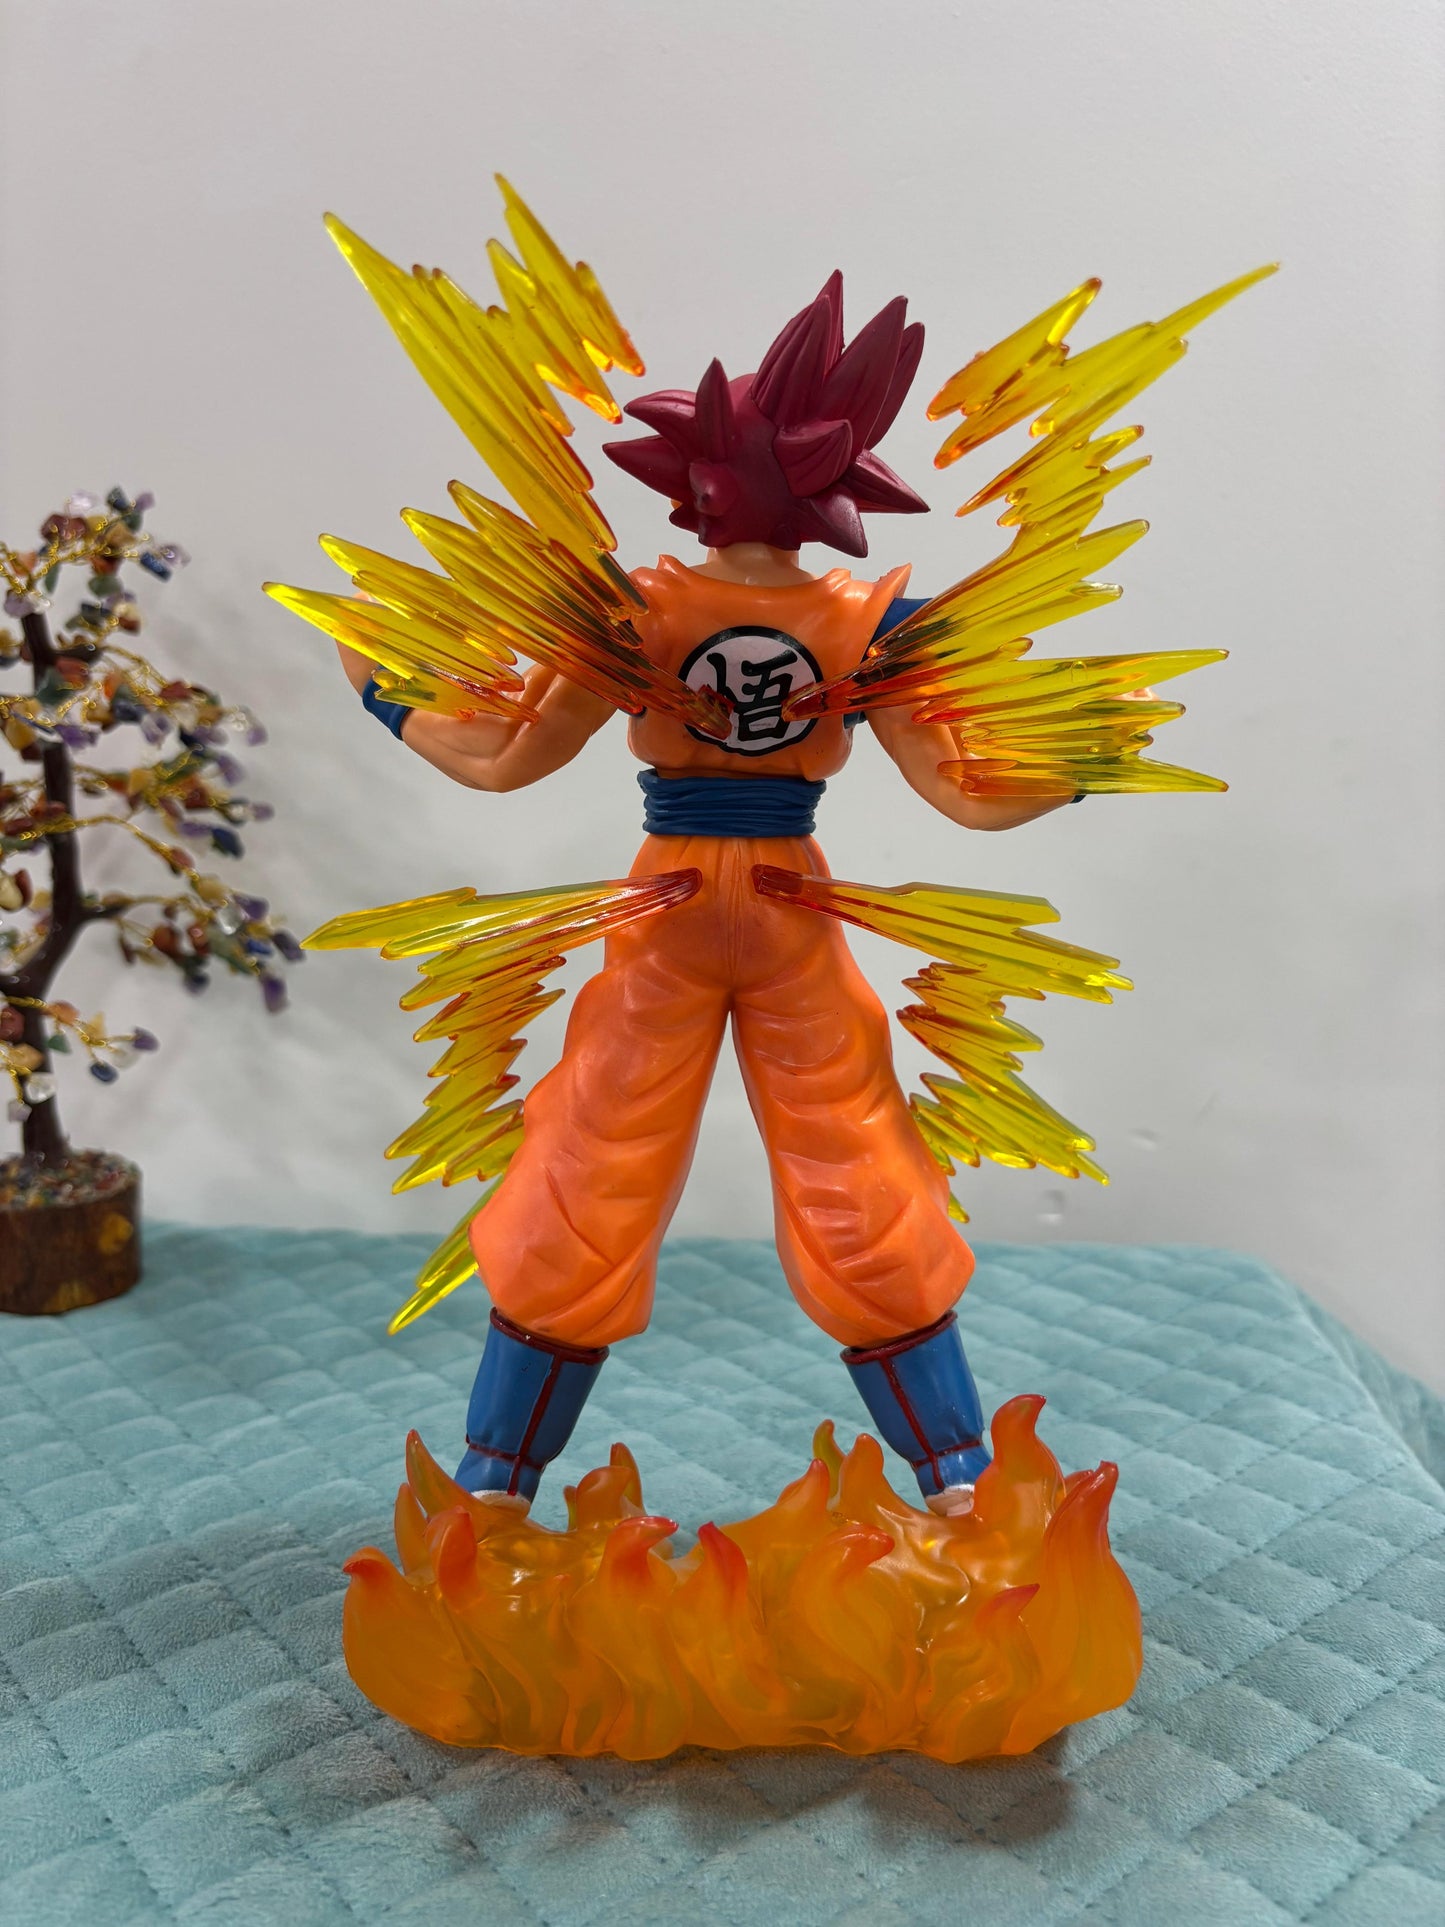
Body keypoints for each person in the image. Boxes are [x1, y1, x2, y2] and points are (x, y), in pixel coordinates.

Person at [338, 273, 1075, 1515]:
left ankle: (496, 1482)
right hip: (777, 909)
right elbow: (970, 795)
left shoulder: (645, 611)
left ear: (704, 483)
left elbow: (500, 757)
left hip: (677, 909)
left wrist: (382, 690)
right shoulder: (866, 622)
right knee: (846, 1170)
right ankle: (953, 1477)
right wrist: (1089, 759)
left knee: (595, 1168)